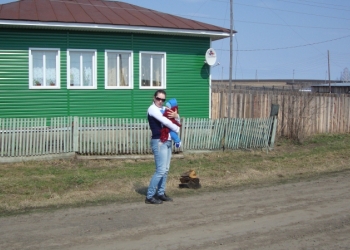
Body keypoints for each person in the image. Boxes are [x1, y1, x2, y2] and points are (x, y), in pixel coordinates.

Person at [145, 90, 180, 205]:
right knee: (160, 170)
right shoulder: (152, 109)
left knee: (165, 170)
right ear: (154, 98)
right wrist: (177, 129)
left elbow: (175, 120)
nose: (160, 101)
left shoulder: (164, 109)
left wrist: (177, 115)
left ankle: (161, 193)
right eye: (158, 98)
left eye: (163, 100)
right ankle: (150, 196)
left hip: (168, 140)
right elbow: (165, 121)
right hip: (159, 141)